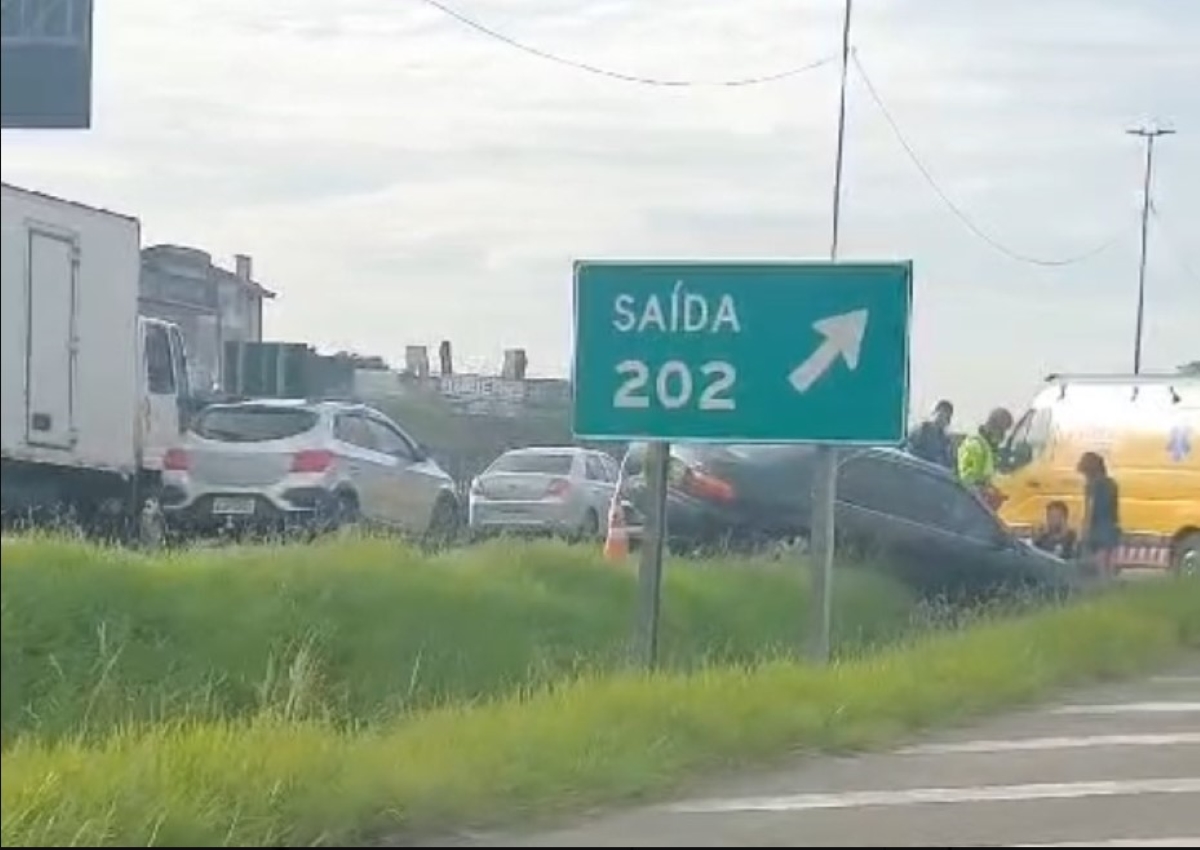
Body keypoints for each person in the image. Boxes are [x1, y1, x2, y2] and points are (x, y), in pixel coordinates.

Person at [957, 407, 1015, 511]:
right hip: (969, 506)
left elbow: (985, 477)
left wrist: (994, 491)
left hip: (979, 504)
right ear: (992, 426)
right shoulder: (975, 445)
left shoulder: (988, 447)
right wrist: (987, 492)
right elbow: (967, 481)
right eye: (1002, 430)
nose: (1003, 435)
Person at [1078, 451, 1121, 579]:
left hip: (1097, 529)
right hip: (1111, 527)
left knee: (1099, 565)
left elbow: (1089, 509)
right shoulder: (1112, 484)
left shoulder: (1091, 486)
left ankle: (1101, 589)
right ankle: (1111, 588)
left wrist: (1084, 530)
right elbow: (1114, 507)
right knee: (1110, 563)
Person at [906, 400, 956, 469]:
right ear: (933, 413)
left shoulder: (945, 440)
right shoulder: (921, 429)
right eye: (940, 414)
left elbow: (948, 463)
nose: (942, 419)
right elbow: (909, 450)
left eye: (946, 417)